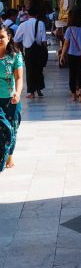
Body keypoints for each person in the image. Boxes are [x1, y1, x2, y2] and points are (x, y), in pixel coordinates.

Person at [0, 24, 23, 171]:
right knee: (4, 127)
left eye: (2, 36)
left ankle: (9, 156)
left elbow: (19, 77)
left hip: (11, 99)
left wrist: (18, 93)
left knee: (13, 128)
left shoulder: (15, 55)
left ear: (8, 37)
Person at [14, 7, 47, 99]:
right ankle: (39, 89)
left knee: (30, 71)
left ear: (28, 15)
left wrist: (17, 51)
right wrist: (45, 51)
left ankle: (31, 92)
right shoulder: (41, 23)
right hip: (39, 49)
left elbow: (16, 39)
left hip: (29, 50)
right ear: (37, 15)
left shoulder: (23, 25)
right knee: (39, 70)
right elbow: (44, 40)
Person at [60, 8, 81, 103]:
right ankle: (80, 92)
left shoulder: (69, 29)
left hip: (72, 55)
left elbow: (66, 43)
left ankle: (73, 95)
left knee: (72, 75)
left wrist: (62, 55)